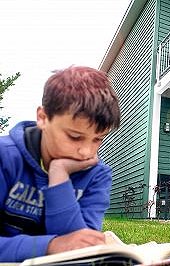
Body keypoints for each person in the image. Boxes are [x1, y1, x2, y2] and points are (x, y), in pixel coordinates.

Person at [0, 66, 121, 262]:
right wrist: (51, 246)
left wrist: (59, 175)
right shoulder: (5, 157)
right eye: (74, 137)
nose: (87, 152)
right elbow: (66, 246)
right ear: (43, 118)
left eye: (98, 139)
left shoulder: (98, 175)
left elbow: (80, 251)